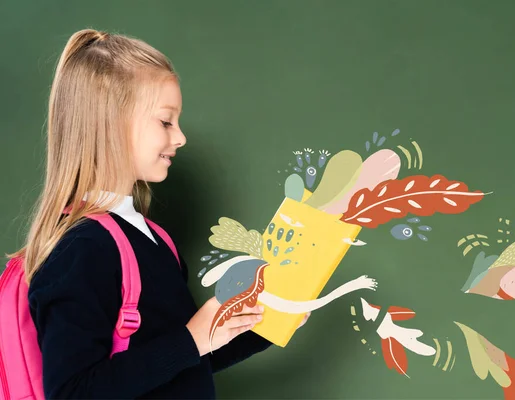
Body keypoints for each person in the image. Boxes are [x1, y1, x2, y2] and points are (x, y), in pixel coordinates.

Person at [7, 28, 309, 399]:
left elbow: (183, 360)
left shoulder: (153, 238)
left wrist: (266, 326)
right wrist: (191, 339)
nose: (179, 137)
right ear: (112, 124)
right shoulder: (80, 248)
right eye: (166, 121)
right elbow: (73, 392)